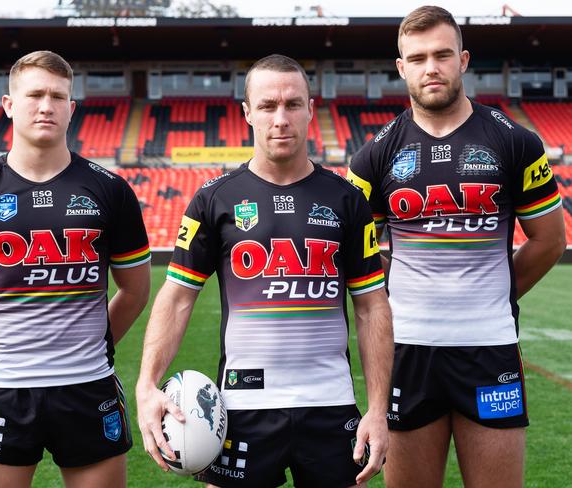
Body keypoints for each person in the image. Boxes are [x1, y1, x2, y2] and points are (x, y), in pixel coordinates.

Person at [136, 54, 394, 488]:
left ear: (311, 111)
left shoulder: (347, 200)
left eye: (293, 104)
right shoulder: (214, 199)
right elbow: (178, 296)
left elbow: (371, 306)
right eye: (268, 106)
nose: (281, 118)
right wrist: (146, 384)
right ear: (247, 113)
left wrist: (377, 409)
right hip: (240, 408)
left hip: (330, 406)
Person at [348, 6, 566, 488]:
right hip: (406, 351)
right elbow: (360, 256)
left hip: (490, 350)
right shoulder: (373, 156)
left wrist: (496, 297)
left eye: (443, 54)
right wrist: (404, 290)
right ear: (401, 67)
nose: (432, 67)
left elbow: (550, 240)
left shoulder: (516, 143)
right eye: (419, 57)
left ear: (463, 59)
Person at [0, 50, 151, 488]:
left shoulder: (110, 190)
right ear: (9, 105)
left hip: (89, 387)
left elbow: (136, 290)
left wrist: (92, 348)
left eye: (57, 96)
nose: (46, 105)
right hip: (2, 390)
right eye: (34, 95)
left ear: (72, 108)